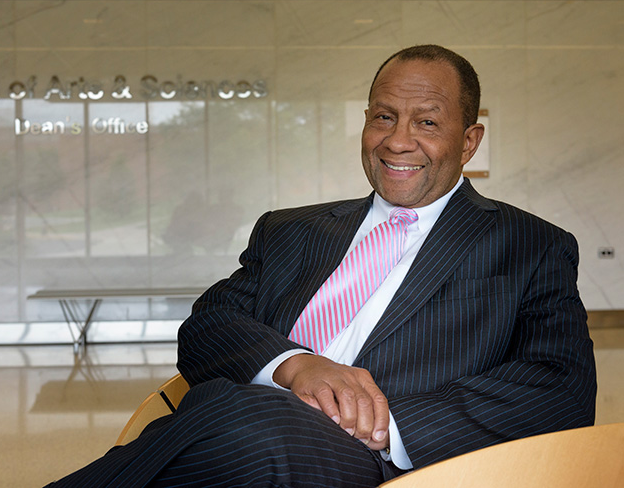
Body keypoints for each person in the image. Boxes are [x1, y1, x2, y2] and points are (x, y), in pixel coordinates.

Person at [47, 45, 596, 487]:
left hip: (382, 461)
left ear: (469, 141)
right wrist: (296, 366)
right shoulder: (290, 230)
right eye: (384, 116)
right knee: (242, 420)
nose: (398, 140)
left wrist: (383, 425)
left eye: (427, 122)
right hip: (239, 427)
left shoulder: (532, 244)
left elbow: (561, 388)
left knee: (254, 424)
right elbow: (207, 326)